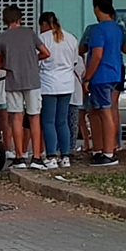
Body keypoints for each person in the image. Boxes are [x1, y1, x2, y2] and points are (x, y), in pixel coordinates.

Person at [0, 5, 51, 170]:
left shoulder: (1, 38)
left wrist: (8, 64)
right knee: (34, 117)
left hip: (13, 81)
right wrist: (32, 60)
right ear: (20, 19)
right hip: (32, 80)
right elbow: (46, 53)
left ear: (4, 20)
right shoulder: (30, 33)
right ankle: (37, 157)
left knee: (16, 118)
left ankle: (19, 157)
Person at [82, 0, 124, 166]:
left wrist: (87, 77)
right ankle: (100, 149)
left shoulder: (98, 29)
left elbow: (97, 55)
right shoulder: (117, 28)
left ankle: (108, 152)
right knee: (95, 111)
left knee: (105, 113)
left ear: (96, 8)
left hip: (101, 75)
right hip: (115, 73)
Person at [80, 17, 126, 150]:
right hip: (118, 68)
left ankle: (103, 148)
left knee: (99, 111)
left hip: (101, 71)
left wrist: (87, 77)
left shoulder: (93, 29)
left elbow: (82, 50)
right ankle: (115, 143)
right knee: (113, 108)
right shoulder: (120, 29)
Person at [38, 12, 78, 169]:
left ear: (44, 24)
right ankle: (66, 156)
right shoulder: (71, 38)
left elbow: (37, 60)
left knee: (48, 121)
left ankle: (51, 156)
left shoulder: (43, 38)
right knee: (62, 122)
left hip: (48, 84)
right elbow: (74, 62)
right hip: (67, 84)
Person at [71, 54, 89, 153]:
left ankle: (71, 145)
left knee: (77, 121)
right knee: (81, 121)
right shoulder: (80, 60)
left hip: (71, 92)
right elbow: (83, 75)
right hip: (80, 93)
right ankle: (86, 143)